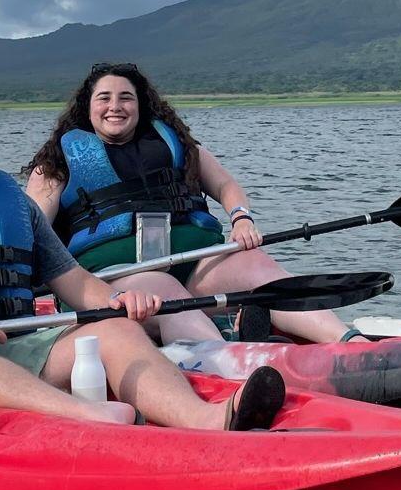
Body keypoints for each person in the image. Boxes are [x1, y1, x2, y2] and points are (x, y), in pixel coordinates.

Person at [0, 76, 284, 430]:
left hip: (14, 344)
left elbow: (75, 281)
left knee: (115, 330)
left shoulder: (13, 202)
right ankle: (85, 417)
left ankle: (207, 420)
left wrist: (116, 303)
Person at [23, 62, 357, 345]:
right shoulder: (58, 162)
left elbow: (225, 185)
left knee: (257, 266)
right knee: (165, 290)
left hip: (196, 266)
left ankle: (349, 343)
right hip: (118, 282)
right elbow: (30, 229)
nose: (116, 106)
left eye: (126, 97)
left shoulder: (175, 143)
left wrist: (241, 219)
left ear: (140, 105)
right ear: (87, 107)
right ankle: (231, 358)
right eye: (104, 98)